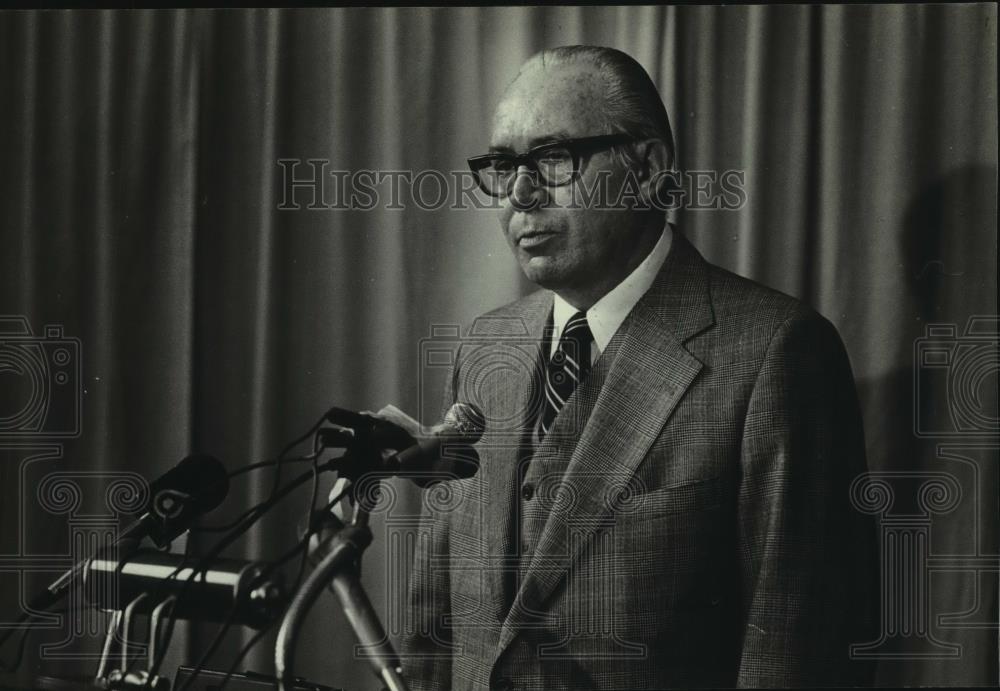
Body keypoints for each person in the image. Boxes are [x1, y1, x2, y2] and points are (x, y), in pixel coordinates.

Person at [396, 45, 877, 690]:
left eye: (552, 159)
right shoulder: (488, 346)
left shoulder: (774, 352)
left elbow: (794, 659)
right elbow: (434, 636)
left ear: (647, 167)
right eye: (503, 164)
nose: (520, 192)